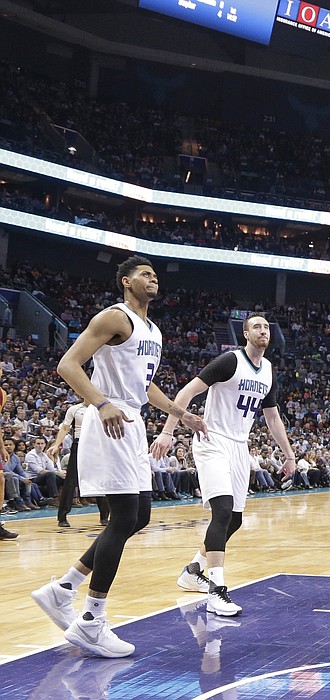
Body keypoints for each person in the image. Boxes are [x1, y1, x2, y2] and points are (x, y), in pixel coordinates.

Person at [31, 255, 207, 658]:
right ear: (126, 281)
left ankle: (63, 589)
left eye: (155, 274)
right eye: (145, 274)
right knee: (125, 516)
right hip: (109, 420)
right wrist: (100, 402)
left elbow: (144, 388)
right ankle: (91, 620)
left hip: (131, 419)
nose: (153, 279)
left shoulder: (153, 330)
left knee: (140, 515)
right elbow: (67, 364)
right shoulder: (114, 317)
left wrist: (182, 414)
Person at [151, 313, 296, 617]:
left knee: (235, 520)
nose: (263, 331)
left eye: (267, 327)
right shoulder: (230, 361)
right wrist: (168, 430)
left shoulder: (268, 370)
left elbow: (272, 417)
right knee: (222, 511)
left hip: (239, 446)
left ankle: (194, 569)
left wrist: (289, 454)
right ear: (245, 333)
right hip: (212, 438)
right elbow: (186, 392)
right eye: (256, 326)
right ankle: (217, 591)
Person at [48, 400, 111, 527]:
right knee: (70, 481)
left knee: (102, 480)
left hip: (98, 445)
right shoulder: (74, 409)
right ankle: (62, 517)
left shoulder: (103, 408)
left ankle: (105, 517)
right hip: (79, 444)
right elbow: (65, 427)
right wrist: (56, 445)